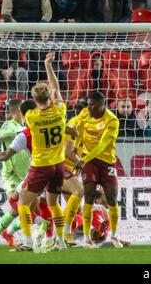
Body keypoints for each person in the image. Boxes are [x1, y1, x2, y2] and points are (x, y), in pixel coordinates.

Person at [0, 99, 51, 250]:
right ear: (18, 111)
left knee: (27, 210)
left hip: (28, 173)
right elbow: (0, 136)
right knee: (17, 205)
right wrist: (21, 131)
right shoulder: (8, 125)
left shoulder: (28, 127)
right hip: (11, 174)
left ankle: (8, 233)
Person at [15, 52, 67, 251]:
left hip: (41, 165)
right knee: (54, 205)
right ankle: (60, 241)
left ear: (34, 99)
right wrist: (48, 65)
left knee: (22, 203)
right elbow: (56, 88)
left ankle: (28, 242)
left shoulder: (31, 116)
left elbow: (48, 93)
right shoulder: (60, 110)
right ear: (50, 97)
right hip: (59, 165)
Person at [73, 91, 124, 249]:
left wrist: (82, 160)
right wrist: (77, 145)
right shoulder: (85, 113)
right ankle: (87, 239)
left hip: (106, 162)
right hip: (90, 161)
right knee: (88, 196)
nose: (88, 107)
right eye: (87, 104)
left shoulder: (112, 121)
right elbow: (80, 129)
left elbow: (102, 146)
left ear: (102, 105)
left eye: (92, 105)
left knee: (112, 199)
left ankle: (115, 236)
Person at [62, 96, 88, 246]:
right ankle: (63, 234)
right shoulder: (74, 125)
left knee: (75, 210)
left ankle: (65, 236)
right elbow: (67, 152)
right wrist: (83, 164)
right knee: (79, 191)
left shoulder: (86, 127)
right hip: (59, 167)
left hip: (69, 169)